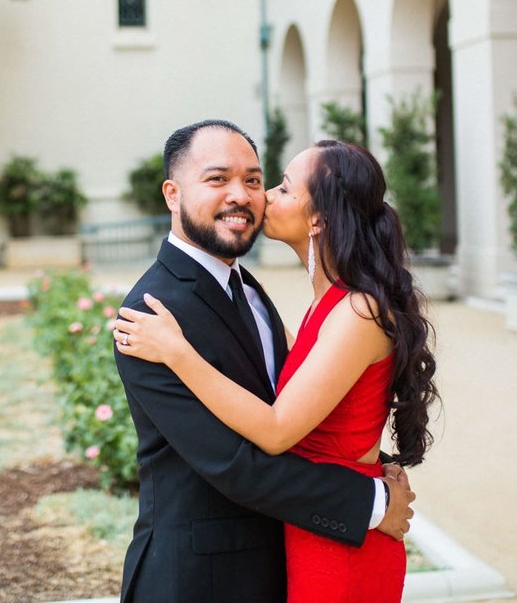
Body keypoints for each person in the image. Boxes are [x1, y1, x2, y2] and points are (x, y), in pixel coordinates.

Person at [115, 135, 438, 602]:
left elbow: (304, 419)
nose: (250, 197)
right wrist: (371, 502)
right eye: (217, 179)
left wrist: (371, 470)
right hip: (198, 581)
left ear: (319, 218)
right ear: (173, 193)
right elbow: (234, 464)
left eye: (261, 182)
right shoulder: (151, 318)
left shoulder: (257, 293)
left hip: (313, 552)